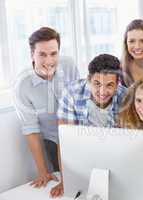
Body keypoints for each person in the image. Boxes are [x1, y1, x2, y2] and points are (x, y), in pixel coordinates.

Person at [50, 54, 126, 197]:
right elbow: (66, 141)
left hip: (114, 159)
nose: (102, 92)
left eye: (109, 85)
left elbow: (127, 144)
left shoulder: (125, 97)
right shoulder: (71, 93)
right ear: (89, 79)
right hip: (81, 158)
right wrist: (66, 180)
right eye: (97, 84)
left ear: (118, 83)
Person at [14, 27, 79, 189]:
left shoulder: (68, 64)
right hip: (53, 140)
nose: (49, 61)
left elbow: (80, 102)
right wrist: (42, 171)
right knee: (67, 187)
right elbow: (31, 131)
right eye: (42, 54)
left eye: (53, 54)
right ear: (32, 55)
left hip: (78, 134)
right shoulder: (22, 85)